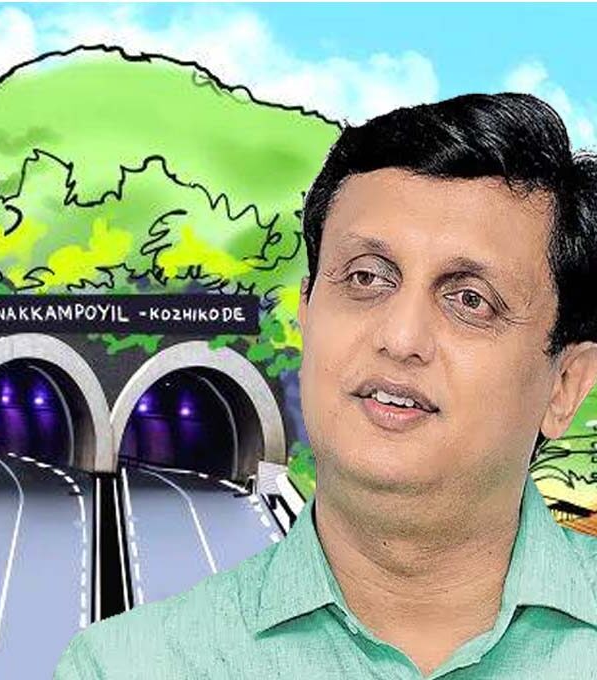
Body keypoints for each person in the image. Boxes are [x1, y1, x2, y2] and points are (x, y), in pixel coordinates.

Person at [54, 92, 597, 679]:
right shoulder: (128, 667)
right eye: (366, 278)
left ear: (565, 385)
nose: (401, 337)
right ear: (306, 313)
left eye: (469, 300)